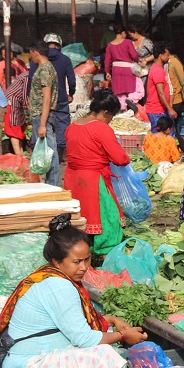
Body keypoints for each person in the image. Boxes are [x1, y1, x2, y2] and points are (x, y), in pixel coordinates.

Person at [0, 214, 156, 368]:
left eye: (87, 259)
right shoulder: (58, 286)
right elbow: (84, 338)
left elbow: (71, 322)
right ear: (57, 261)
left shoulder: (50, 276)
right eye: (76, 262)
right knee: (104, 356)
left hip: (29, 358)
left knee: (103, 350)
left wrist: (109, 320)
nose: (83, 268)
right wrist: (123, 336)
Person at [63, 89, 130, 251]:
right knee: (107, 218)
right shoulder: (101, 128)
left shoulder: (72, 126)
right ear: (106, 113)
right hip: (93, 180)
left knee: (80, 217)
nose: (110, 121)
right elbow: (120, 159)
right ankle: (107, 258)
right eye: (111, 117)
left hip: (72, 179)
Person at [27, 41, 61, 186]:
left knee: (50, 151)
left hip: (43, 117)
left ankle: (52, 185)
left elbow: (47, 98)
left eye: (31, 54)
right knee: (46, 151)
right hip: (40, 116)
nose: (31, 57)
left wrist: (42, 124)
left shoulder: (45, 69)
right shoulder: (43, 68)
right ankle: (49, 182)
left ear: (35, 51)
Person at [43, 34, 77, 161]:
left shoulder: (41, 59)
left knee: (45, 124)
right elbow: (72, 80)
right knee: (62, 125)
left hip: (44, 100)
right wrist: (71, 93)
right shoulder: (65, 59)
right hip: (61, 98)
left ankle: (47, 154)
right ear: (59, 45)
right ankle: (59, 154)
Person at [0, 47, 30, 156]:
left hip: (18, 102)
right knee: (14, 128)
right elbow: (25, 96)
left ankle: (20, 153)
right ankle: (18, 154)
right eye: (3, 54)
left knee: (18, 127)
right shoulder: (2, 65)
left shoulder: (20, 64)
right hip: (12, 102)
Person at [144, 43, 178, 130]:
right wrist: (170, 109)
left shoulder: (158, 69)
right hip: (157, 111)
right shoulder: (157, 70)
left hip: (161, 110)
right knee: (160, 138)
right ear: (160, 55)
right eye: (167, 55)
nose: (169, 57)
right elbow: (160, 92)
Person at [105, 25, 139, 108]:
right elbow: (134, 56)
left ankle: (121, 108)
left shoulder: (110, 45)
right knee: (130, 90)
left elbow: (107, 60)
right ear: (123, 33)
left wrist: (107, 72)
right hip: (127, 71)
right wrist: (136, 60)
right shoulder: (127, 42)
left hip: (116, 71)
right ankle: (130, 105)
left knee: (119, 92)